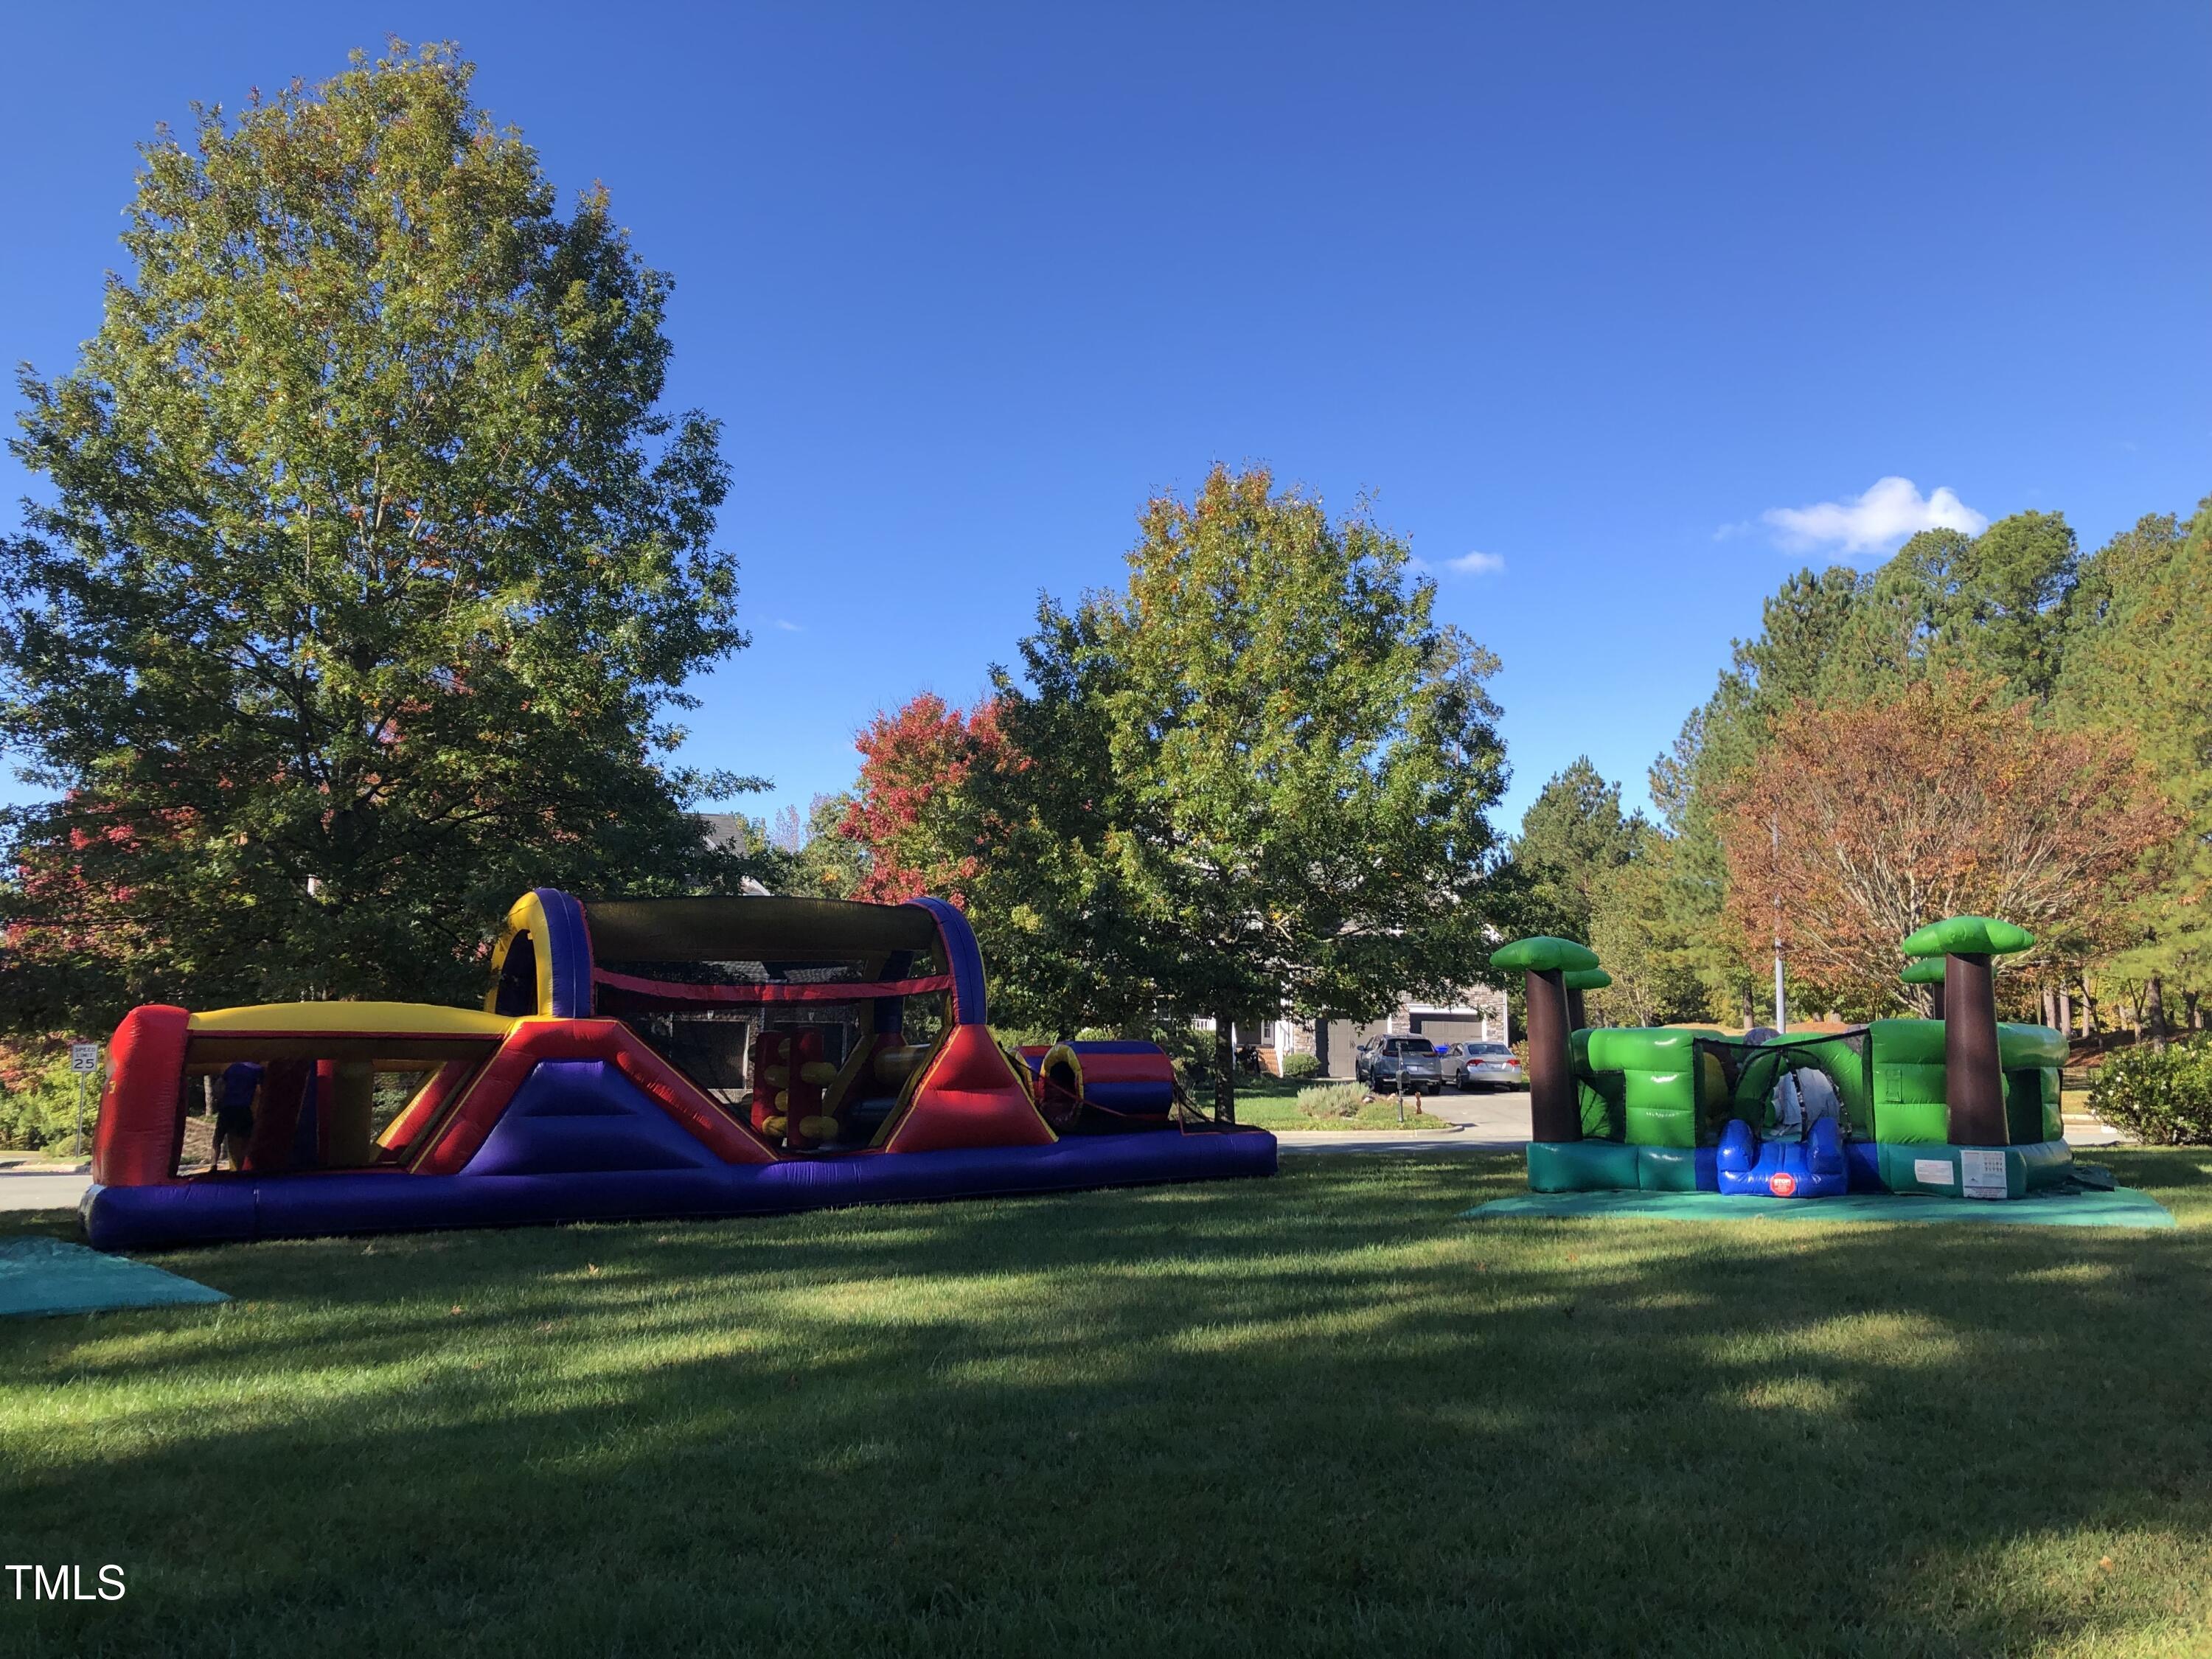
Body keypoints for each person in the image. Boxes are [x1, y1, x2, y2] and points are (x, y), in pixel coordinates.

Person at [212, 1061, 263, 1173]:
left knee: (218, 1138)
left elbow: (218, 1086)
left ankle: (214, 1165)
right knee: (247, 1139)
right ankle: (244, 1166)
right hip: (243, 1108)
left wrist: (220, 1100)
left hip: (227, 1108)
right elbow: (259, 1090)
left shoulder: (232, 1068)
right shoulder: (259, 1069)